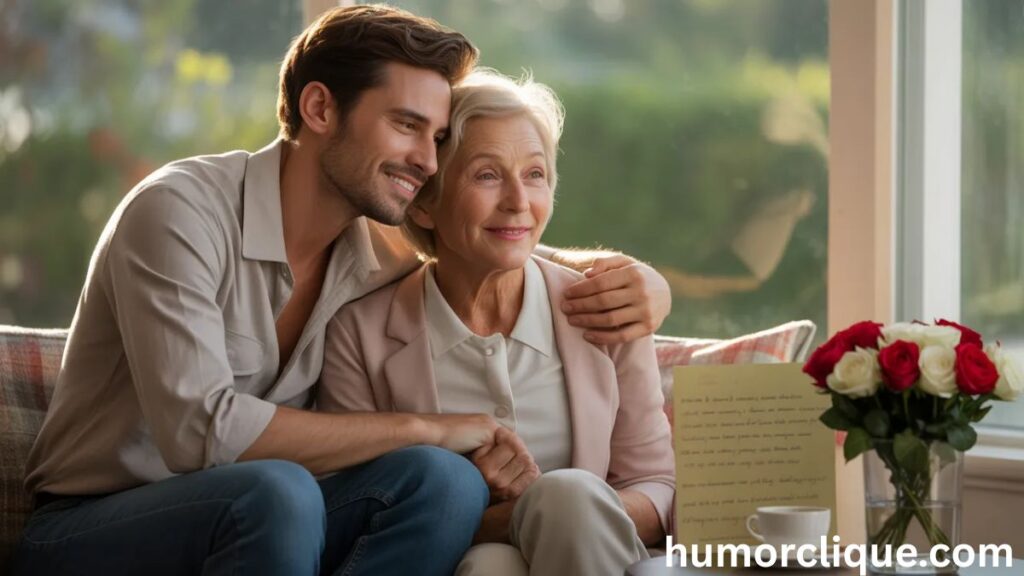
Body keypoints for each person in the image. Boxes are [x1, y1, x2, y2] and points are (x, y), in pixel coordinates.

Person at [13, 6, 671, 576]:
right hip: (93, 524)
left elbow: (491, 234)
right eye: (407, 126)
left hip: (270, 518)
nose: (427, 160)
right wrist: (427, 428)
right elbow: (199, 433)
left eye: (438, 138)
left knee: (441, 483)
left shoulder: (369, 234)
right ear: (320, 108)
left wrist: (642, 281)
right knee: (281, 490)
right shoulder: (179, 213)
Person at [319, 69, 675, 576]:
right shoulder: (359, 335)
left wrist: (558, 513)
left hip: (599, 549)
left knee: (565, 496)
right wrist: (490, 512)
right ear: (423, 203)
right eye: (487, 175)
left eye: (534, 175)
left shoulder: (606, 308)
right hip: (454, 563)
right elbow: (358, 513)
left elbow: (658, 486)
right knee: (490, 566)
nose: (518, 202)